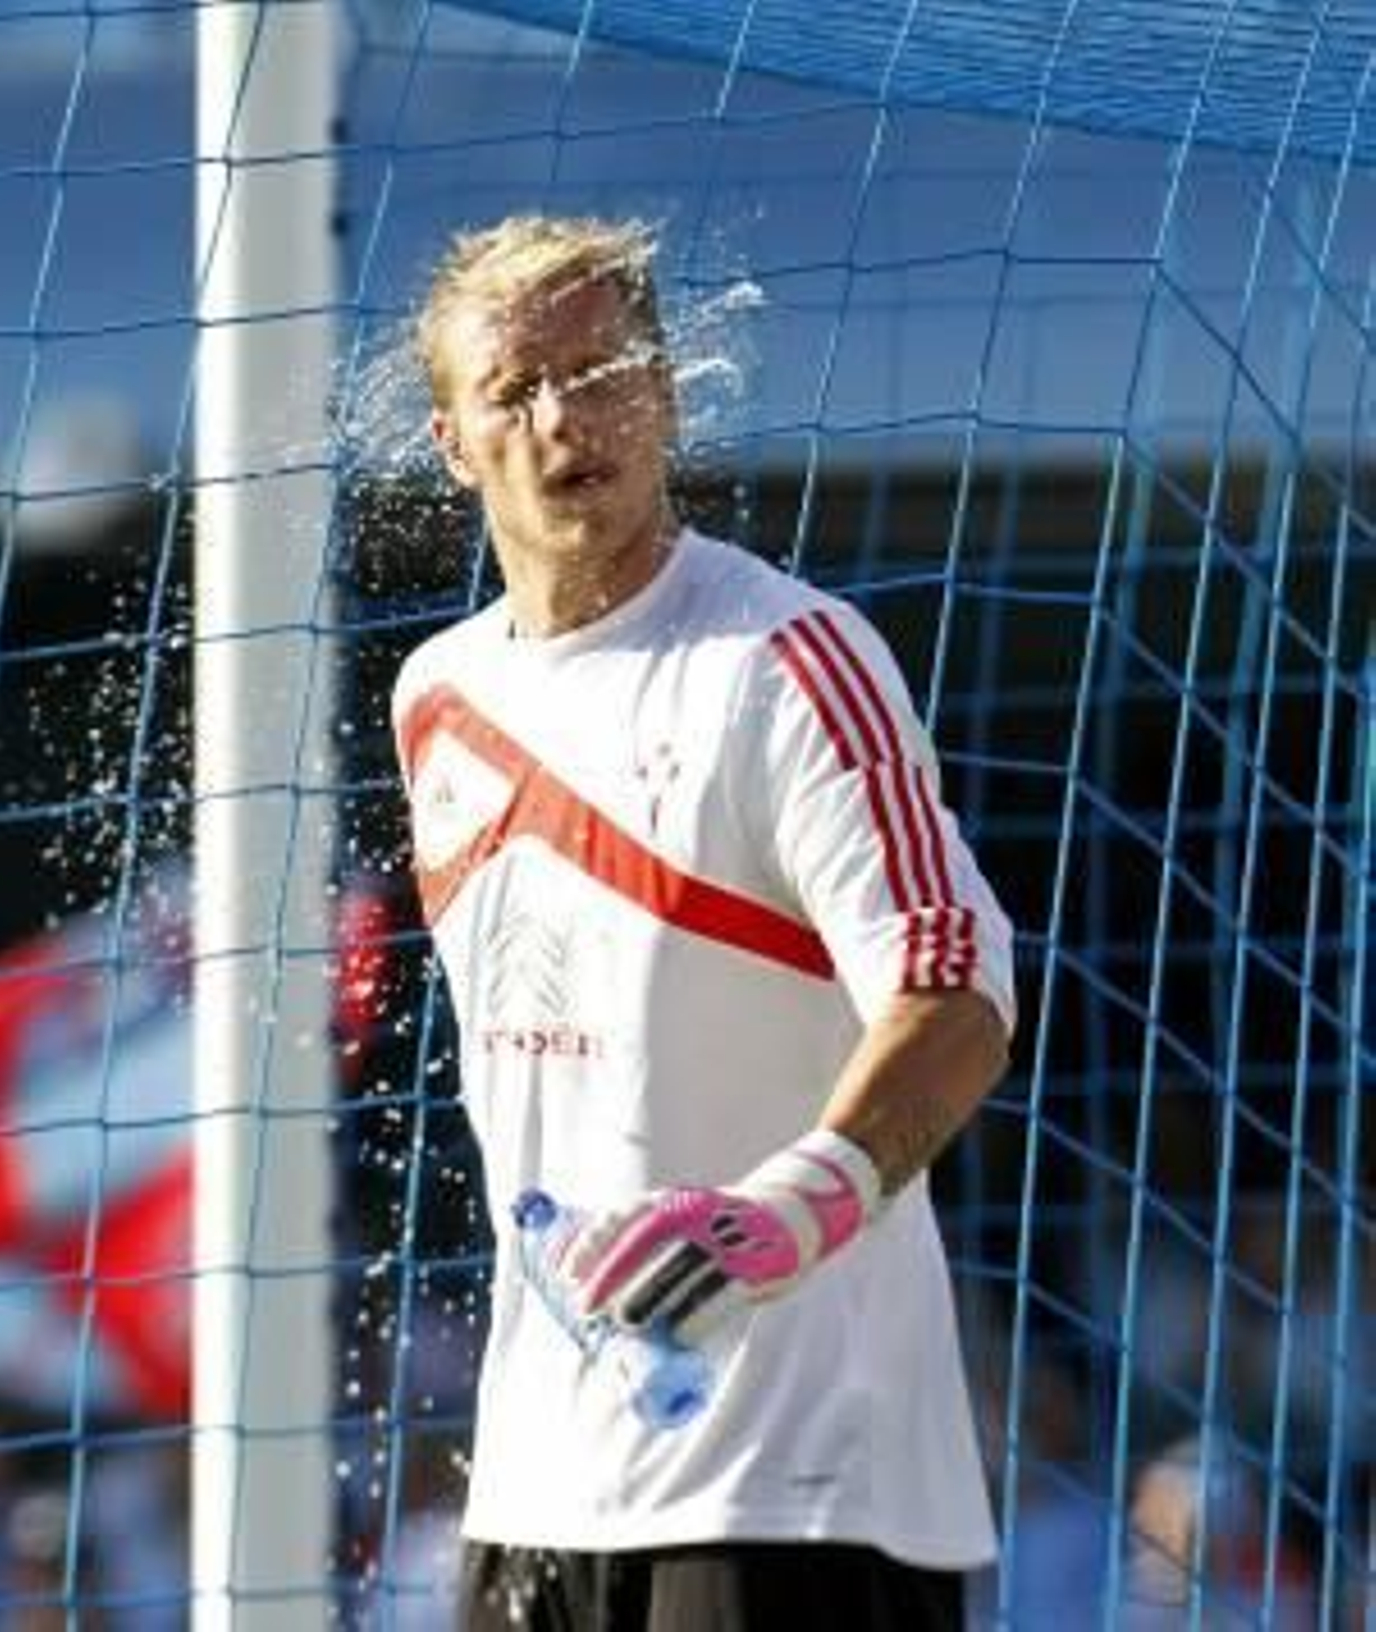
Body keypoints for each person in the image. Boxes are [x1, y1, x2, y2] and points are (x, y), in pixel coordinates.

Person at [391, 213, 1016, 1631]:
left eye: (602, 370)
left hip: (797, 1483)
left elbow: (961, 991)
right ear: (453, 444)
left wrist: (784, 1214)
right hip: (542, 1484)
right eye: (517, 389)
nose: (567, 418)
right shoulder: (436, 696)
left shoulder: (786, 660)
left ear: (668, 393)